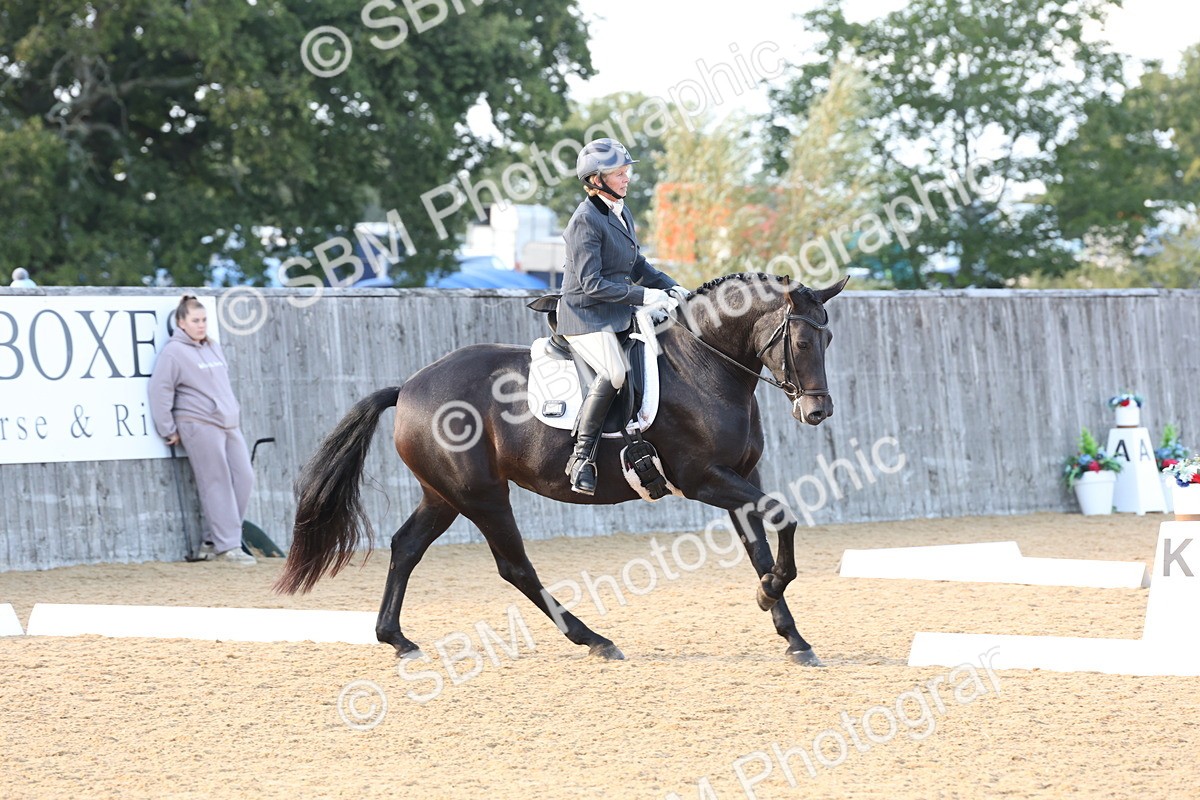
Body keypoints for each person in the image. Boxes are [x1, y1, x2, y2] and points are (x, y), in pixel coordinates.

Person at [557, 138, 691, 495]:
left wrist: (673, 287)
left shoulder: (620, 211)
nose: (626, 178)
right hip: (585, 314)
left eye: (625, 171)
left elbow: (637, 265)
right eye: (618, 173)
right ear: (596, 180)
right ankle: (581, 458)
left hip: (618, 311)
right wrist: (645, 295)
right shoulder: (584, 220)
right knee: (615, 371)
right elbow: (591, 284)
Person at [149, 295, 257, 565]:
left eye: (204, 320)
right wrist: (167, 428)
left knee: (244, 478)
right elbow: (160, 390)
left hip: (228, 422)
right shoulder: (173, 353)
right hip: (198, 423)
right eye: (195, 320)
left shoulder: (213, 346)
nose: (201, 325)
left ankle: (211, 542)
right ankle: (228, 548)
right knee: (216, 482)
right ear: (181, 323)